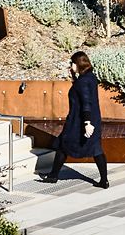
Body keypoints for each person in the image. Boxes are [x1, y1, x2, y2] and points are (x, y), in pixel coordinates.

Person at [43, 48, 107, 187]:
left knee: (62, 145)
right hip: (92, 118)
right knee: (96, 148)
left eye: (72, 63)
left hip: (79, 121)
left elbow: (85, 103)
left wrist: (87, 123)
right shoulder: (90, 77)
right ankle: (104, 180)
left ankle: (53, 176)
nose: (70, 66)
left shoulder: (83, 82)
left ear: (78, 64)